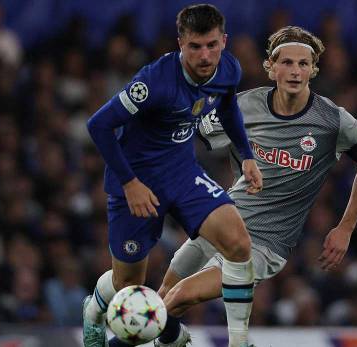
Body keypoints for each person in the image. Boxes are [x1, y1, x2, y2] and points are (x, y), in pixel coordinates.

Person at [152, 26, 357, 346]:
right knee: (162, 303)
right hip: (222, 219)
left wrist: (345, 228)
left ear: (313, 70)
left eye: (303, 64)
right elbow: (190, 135)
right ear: (270, 67)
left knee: (176, 298)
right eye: (286, 62)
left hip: (264, 242)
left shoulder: (333, 121)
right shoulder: (243, 107)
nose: (295, 71)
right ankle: (175, 340)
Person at [83, 4, 263, 347]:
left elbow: (227, 107)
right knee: (128, 286)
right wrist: (130, 182)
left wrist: (246, 156)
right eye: (195, 46)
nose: (205, 55)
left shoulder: (229, 69)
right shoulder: (154, 82)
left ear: (223, 41)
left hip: (182, 173)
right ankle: (93, 309)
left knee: (239, 243)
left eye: (211, 44)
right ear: (181, 44)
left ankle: (238, 342)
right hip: (136, 182)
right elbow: (99, 125)